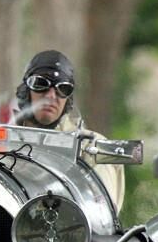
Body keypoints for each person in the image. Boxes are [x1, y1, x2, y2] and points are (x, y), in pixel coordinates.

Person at [14, 50, 126, 211]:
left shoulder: (92, 147)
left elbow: (101, 215)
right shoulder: (1, 140)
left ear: (68, 99)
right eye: (40, 84)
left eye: (63, 89)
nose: (51, 95)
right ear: (26, 91)